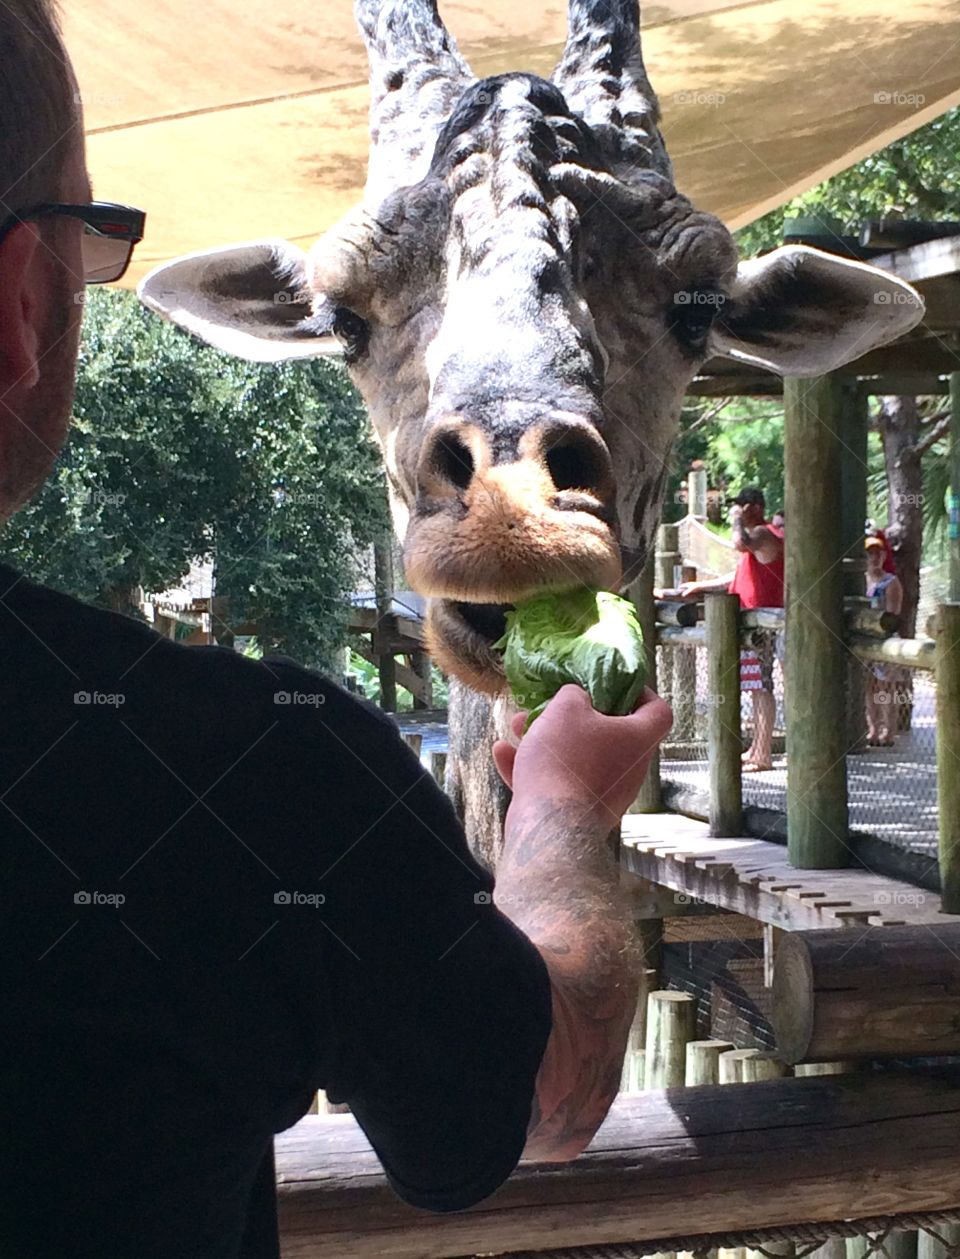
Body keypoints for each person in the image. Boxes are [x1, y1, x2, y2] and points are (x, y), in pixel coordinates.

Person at [0, 6, 672, 1257]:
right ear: (18, 303)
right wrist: (564, 815)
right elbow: (550, 1094)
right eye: (85, 247)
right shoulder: (253, 778)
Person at [677, 487, 784, 771]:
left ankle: (763, 754)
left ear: (756, 507)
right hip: (749, 624)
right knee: (755, 687)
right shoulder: (755, 547)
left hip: (764, 624)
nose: (735, 509)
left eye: (741, 505)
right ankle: (756, 748)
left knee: (762, 687)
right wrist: (698, 587)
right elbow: (736, 577)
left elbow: (739, 542)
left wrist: (736, 519)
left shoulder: (763, 534)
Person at [864, 534, 903, 746]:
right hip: (865, 640)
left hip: (885, 639)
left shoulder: (891, 581)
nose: (874, 557)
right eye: (869, 553)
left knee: (886, 687)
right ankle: (873, 729)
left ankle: (889, 731)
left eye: (878, 553)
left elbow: (893, 613)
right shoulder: (861, 580)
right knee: (869, 687)